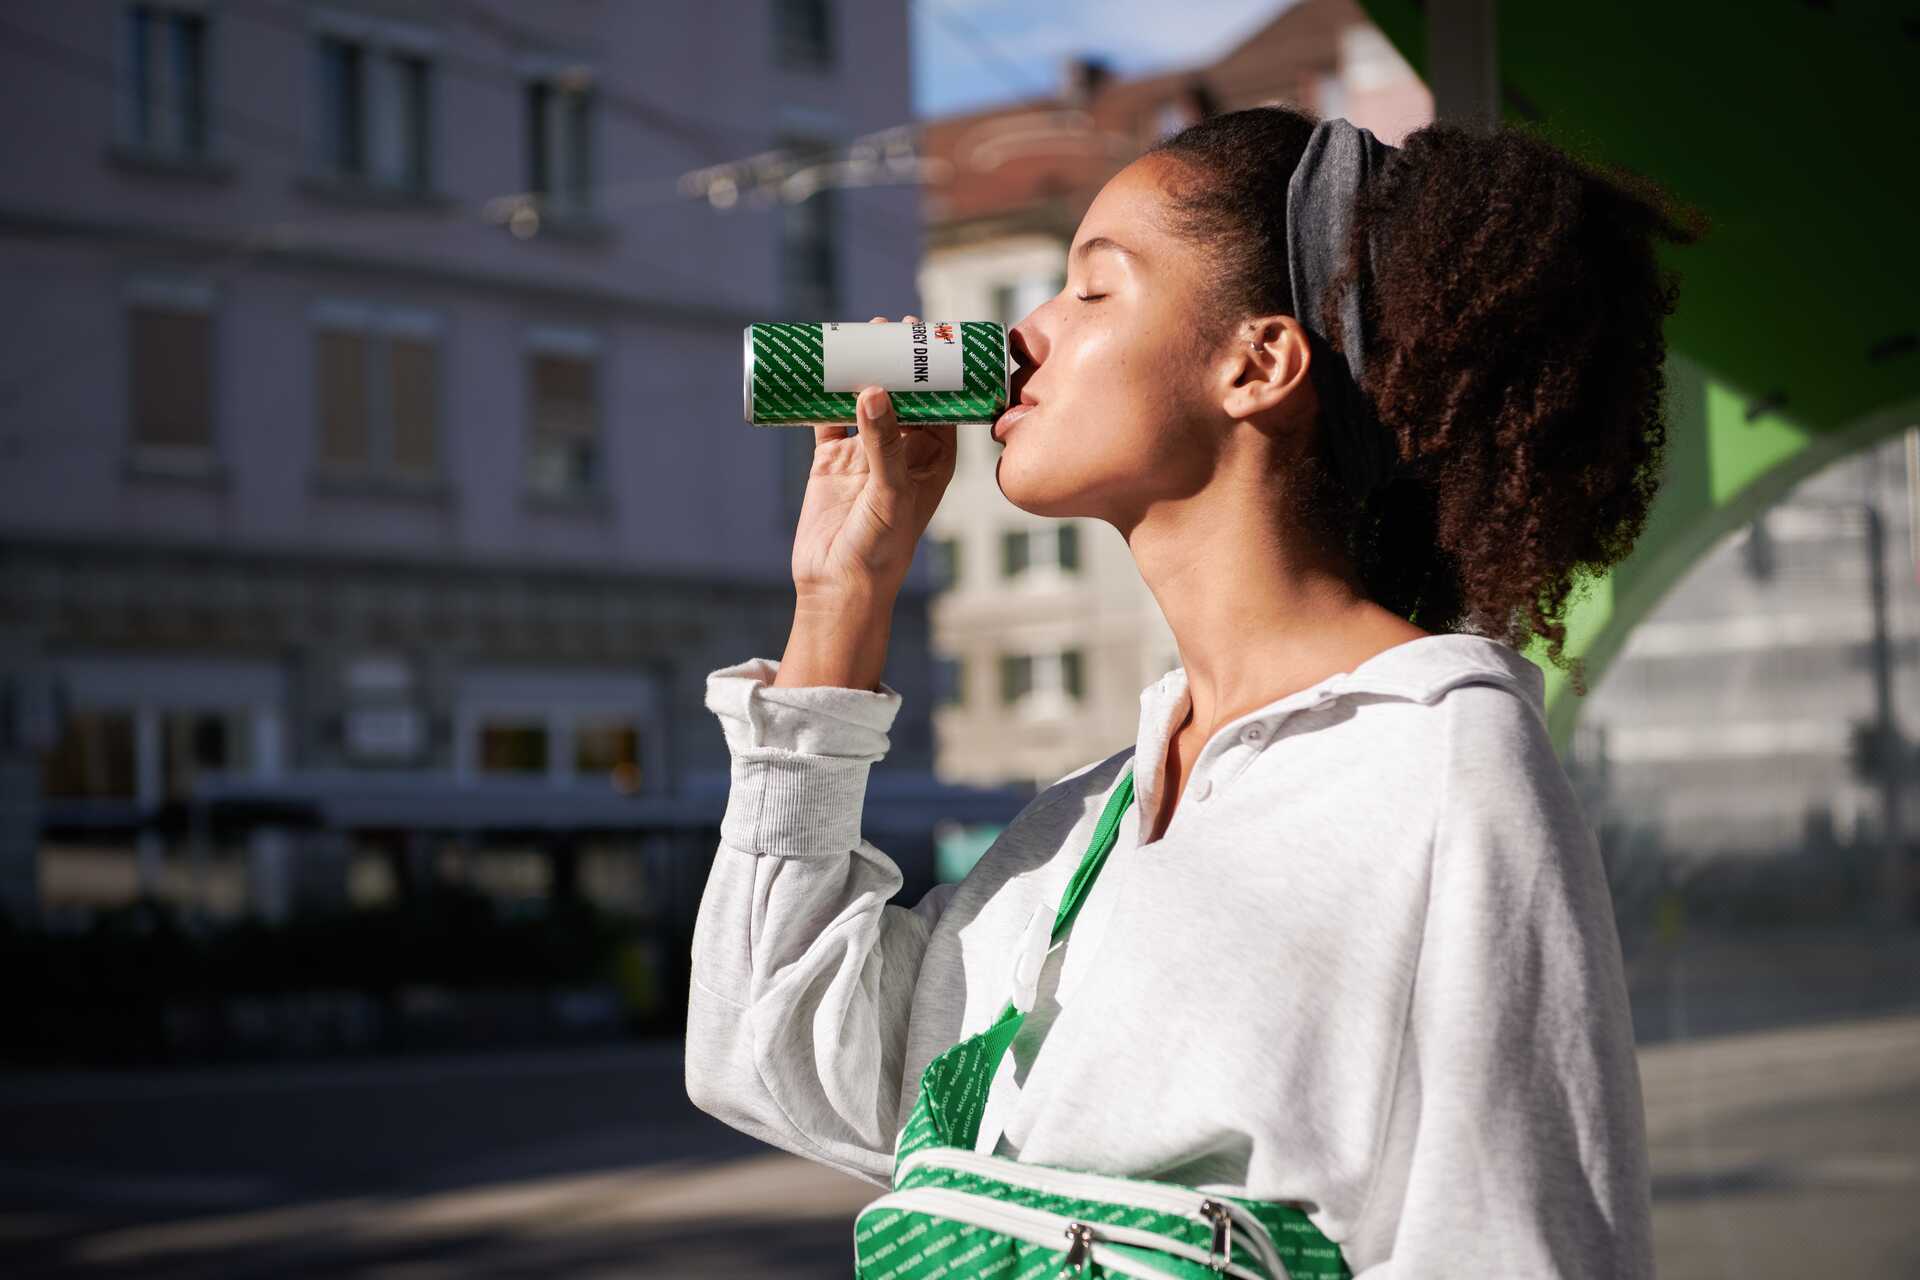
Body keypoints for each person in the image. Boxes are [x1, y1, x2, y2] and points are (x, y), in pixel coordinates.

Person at [686, 105, 1695, 1276]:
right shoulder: (1084, 818)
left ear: (1256, 362)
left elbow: (1520, 1246)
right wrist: (838, 598)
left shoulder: (1440, 763)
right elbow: (765, 1057)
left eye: (1092, 289)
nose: (1027, 334)